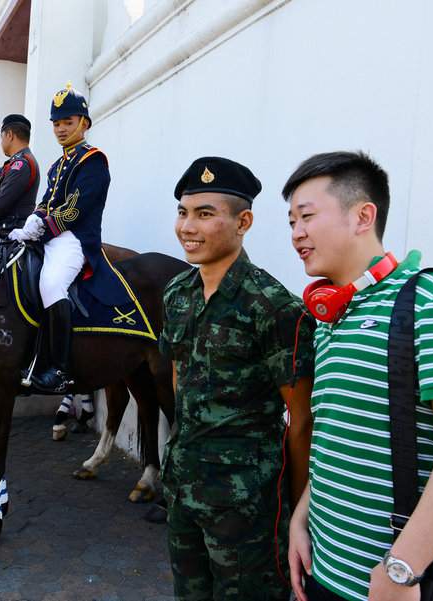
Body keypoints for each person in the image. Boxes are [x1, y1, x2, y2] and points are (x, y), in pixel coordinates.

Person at [283, 151, 433, 601]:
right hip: (323, 572)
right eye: (290, 222)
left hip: (401, 586)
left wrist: (401, 570)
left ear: (364, 215)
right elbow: (338, 436)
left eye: (306, 217)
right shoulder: (333, 315)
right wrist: (300, 519)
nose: (296, 233)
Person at [159, 157, 316, 600]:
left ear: (243, 221)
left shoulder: (272, 307)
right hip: (184, 487)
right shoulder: (177, 294)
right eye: (183, 212)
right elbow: (179, 377)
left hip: (247, 505)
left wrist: (299, 512)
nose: (187, 226)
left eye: (205, 214)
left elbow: (301, 419)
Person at [8, 84, 130, 392]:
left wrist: (41, 227)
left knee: (51, 284)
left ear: (84, 123)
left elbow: (74, 209)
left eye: (68, 122)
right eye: (57, 123)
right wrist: (33, 218)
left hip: (76, 239)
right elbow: (47, 201)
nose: (61, 129)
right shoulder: (57, 165)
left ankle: (60, 370)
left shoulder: (93, 161)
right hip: (51, 236)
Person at [0, 114, 40, 234]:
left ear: (10, 135)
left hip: (11, 232)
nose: (1, 140)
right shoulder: (18, 162)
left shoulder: (21, 164)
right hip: (6, 228)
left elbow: (1, 203)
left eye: (1, 136)